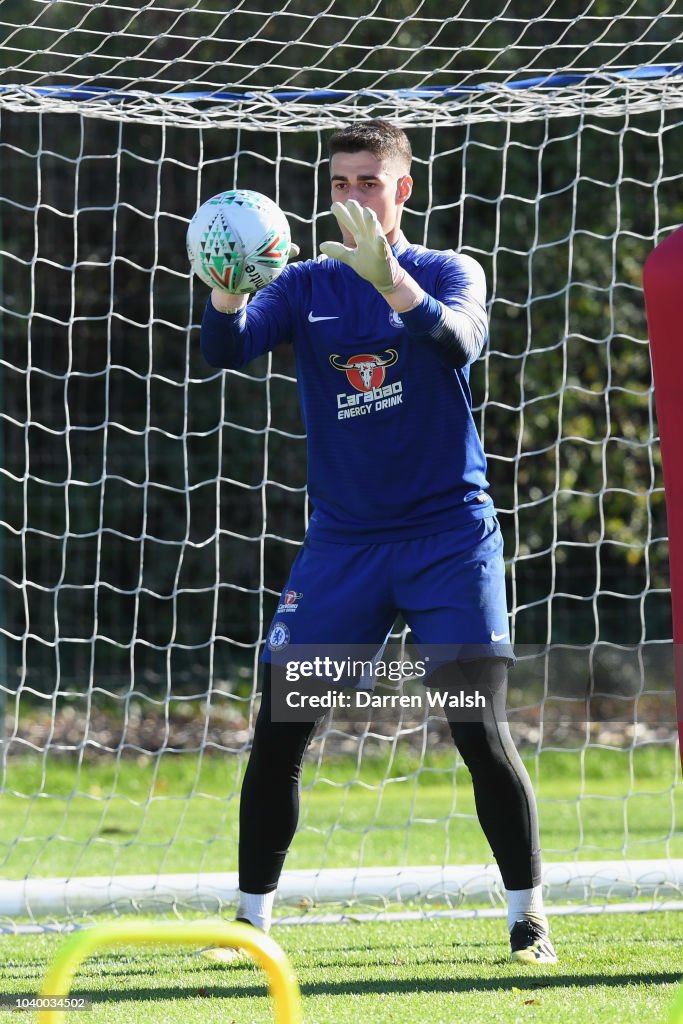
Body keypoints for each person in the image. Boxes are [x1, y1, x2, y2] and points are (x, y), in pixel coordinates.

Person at [200, 119, 557, 965]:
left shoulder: (444, 270)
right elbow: (228, 349)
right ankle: (249, 925)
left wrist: (388, 280)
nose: (351, 197)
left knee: (477, 729)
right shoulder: (302, 283)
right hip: (344, 552)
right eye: (338, 184)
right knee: (282, 730)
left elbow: (455, 341)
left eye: (367, 182)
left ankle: (527, 919)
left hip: (446, 543)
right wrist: (223, 290)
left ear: (403, 189)